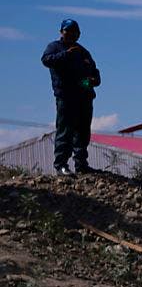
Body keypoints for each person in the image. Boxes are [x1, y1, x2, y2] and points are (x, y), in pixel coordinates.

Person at [41, 19, 101, 177]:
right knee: (65, 131)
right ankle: (61, 165)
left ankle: (81, 164)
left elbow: (95, 74)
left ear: (79, 34)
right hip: (66, 97)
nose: (71, 34)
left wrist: (90, 81)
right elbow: (46, 60)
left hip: (85, 97)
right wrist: (65, 55)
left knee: (82, 132)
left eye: (74, 31)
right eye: (68, 31)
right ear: (61, 32)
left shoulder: (83, 52)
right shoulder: (54, 47)